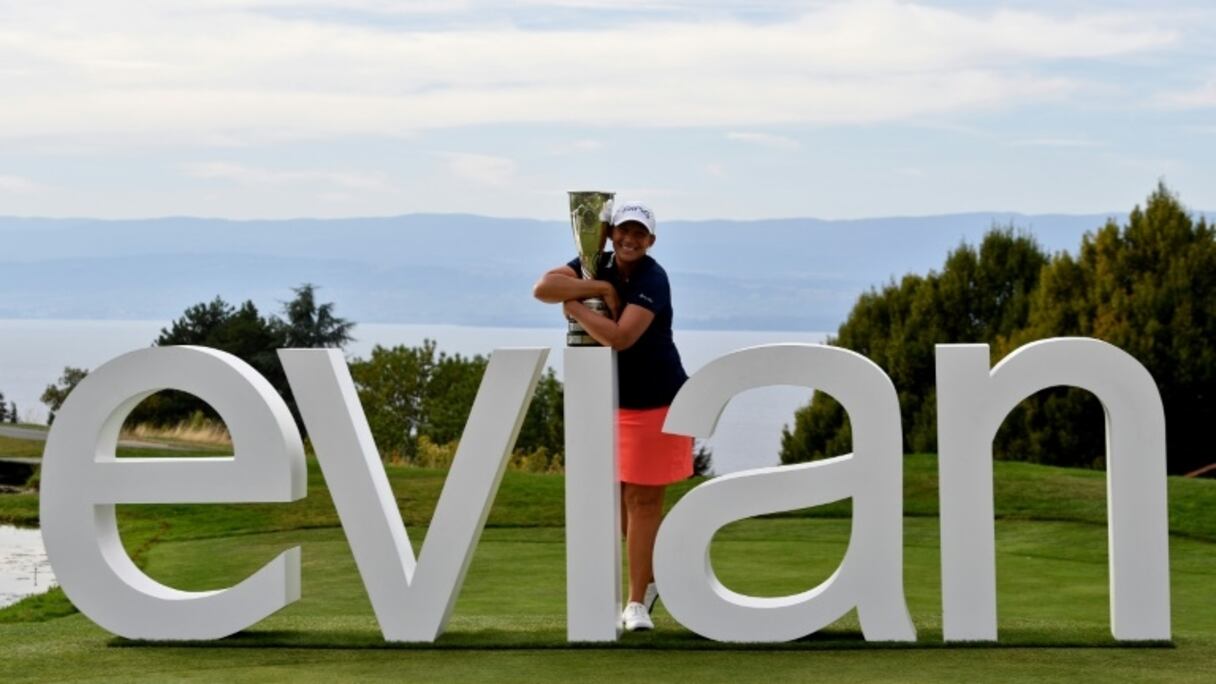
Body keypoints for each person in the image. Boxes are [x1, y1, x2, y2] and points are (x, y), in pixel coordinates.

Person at [532, 201, 693, 632]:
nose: (629, 239)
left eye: (639, 234)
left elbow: (621, 338)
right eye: (623, 231)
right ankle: (654, 577)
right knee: (622, 509)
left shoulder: (653, 278)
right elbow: (543, 288)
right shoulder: (596, 265)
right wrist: (600, 292)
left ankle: (636, 603)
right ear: (610, 234)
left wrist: (578, 309)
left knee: (643, 502)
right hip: (612, 402)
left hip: (656, 401)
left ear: (651, 241)